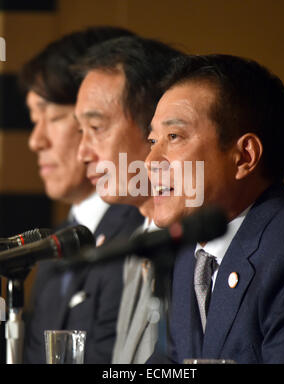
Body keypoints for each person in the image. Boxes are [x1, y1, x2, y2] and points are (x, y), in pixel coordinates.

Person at [145, 54, 284, 363]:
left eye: (173, 137)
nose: (150, 162)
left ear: (244, 157)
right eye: (152, 140)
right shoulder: (189, 254)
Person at [19, 26, 144, 364]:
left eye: (54, 117)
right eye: (33, 120)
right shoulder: (55, 243)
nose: (36, 141)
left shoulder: (143, 232)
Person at [74, 35, 183, 363]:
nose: (82, 153)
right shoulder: (136, 241)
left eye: (96, 127)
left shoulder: (199, 251)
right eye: (80, 131)